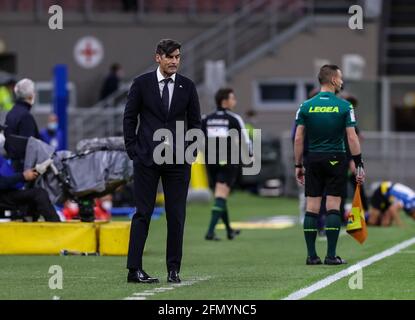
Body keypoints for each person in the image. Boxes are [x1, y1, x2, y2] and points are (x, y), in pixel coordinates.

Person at [123, 39, 201, 284]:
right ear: (158, 57)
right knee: (142, 214)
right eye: (170, 57)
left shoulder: (187, 87)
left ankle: (173, 269)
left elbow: (196, 123)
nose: (174, 61)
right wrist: (132, 149)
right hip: (146, 158)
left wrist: (190, 152)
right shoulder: (141, 84)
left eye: (177, 57)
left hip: (178, 161)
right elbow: (129, 117)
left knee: (176, 215)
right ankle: (134, 270)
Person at [294, 64, 365, 266]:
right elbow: (352, 137)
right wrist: (359, 162)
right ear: (333, 80)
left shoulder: (305, 106)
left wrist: (298, 165)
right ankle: (331, 256)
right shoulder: (345, 106)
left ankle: (311, 256)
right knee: (333, 206)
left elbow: (298, 138)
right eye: (340, 78)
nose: (342, 82)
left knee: (312, 207)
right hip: (336, 158)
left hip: (313, 159)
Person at [201, 88, 250, 241]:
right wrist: (250, 154)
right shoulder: (234, 118)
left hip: (211, 161)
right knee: (221, 195)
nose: (234, 101)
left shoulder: (206, 118)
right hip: (229, 160)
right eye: (232, 98)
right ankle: (210, 232)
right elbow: (245, 140)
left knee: (220, 194)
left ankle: (229, 230)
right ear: (224, 101)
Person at [4, 78, 40, 172]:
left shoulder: (11, 113)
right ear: (30, 95)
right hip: (22, 170)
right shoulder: (25, 116)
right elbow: (29, 148)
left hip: (11, 165)